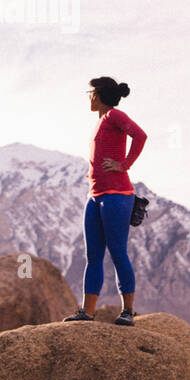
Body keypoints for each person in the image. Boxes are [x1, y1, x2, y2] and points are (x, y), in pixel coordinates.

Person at [64, 76, 147, 326]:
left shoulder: (114, 116)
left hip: (116, 196)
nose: (89, 96)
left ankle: (127, 312)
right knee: (93, 257)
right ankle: (87, 312)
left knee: (118, 253)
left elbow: (140, 136)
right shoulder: (100, 122)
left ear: (98, 94)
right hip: (96, 197)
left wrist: (123, 165)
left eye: (90, 92)